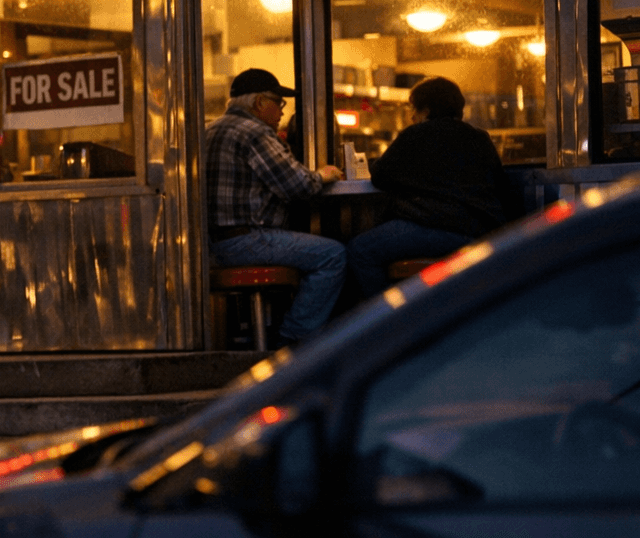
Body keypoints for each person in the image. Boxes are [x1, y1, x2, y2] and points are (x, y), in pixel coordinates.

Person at [206, 68, 346, 346]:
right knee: (333, 255)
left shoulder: (208, 129)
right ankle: (294, 339)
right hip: (246, 241)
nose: (282, 112)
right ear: (259, 103)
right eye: (278, 103)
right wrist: (324, 174)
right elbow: (298, 186)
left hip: (212, 246)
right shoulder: (255, 133)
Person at [348, 76, 514, 297]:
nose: (412, 116)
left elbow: (379, 175)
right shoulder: (479, 138)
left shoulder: (415, 134)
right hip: (481, 232)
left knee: (360, 251)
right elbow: (502, 186)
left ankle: (392, 322)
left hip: (433, 228)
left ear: (425, 110)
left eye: (413, 109)